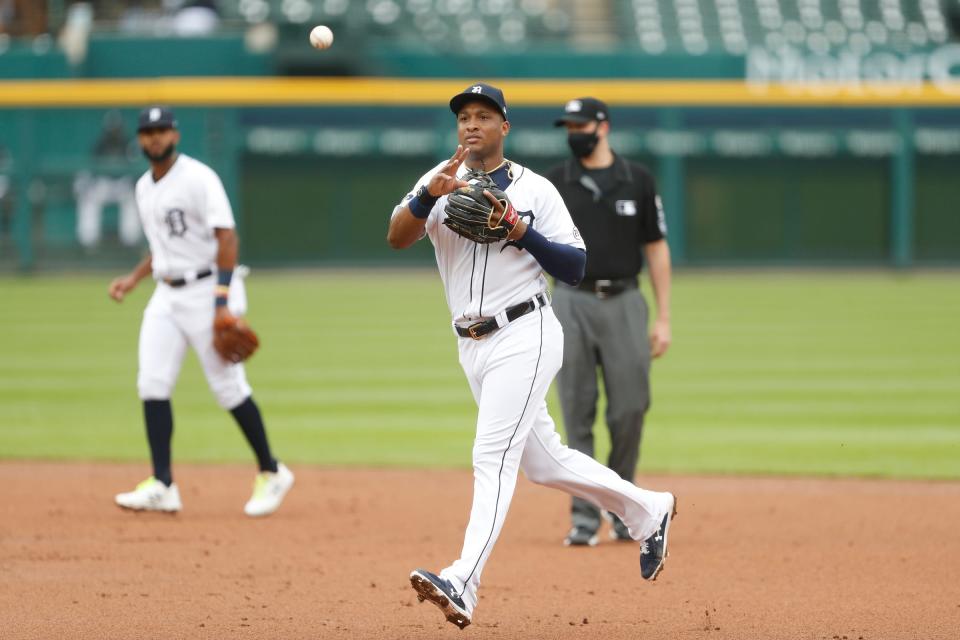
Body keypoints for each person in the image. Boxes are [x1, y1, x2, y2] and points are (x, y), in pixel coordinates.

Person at [387, 83, 678, 629]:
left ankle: (463, 580)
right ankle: (648, 508)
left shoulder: (536, 189)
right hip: (471, 343)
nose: (471, 124)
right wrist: (428, 196)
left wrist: (521, 232)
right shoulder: (438, 181)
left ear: (504, 127)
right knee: (544, 462)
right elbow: (396, 236)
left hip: (526, 331)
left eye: (484, 116)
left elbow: (574, 266)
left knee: (491, 456)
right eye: (464, 117)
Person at [108, 106, 294, 517]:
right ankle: (162, 484)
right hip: (166, 293)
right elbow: (160, 248)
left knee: (227, 387)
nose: (154, 137)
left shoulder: (197, 178)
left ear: (174, 134)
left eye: (161, 130)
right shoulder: (144, 187)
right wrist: (135, 278)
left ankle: (272, 470)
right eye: (147, 132)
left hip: (210, 288)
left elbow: (227, 237)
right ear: (140, 140)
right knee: (152, 383)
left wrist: (221, 302)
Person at [546, 97, 673, 546]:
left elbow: (655, 247)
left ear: (603, 127)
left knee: (630, 408)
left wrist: (663, 317)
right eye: (569, 125)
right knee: (577, 411)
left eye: (581, 123)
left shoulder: (636, 179)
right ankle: (584, 518)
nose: (573, 131)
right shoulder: (555, 181)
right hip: (570, 301)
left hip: (623, 299)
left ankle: (623, 507)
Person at [74, 110, 141, 249]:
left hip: (122, 183)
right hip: (103, 183)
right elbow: (90, 169)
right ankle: (88, 243)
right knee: (88, 198)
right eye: (112, 129)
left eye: (116, 129)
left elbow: (135, 167)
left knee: (132, 199)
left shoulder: (127, 143)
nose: (114, 132)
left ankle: (130, 242)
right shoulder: (99, 144)